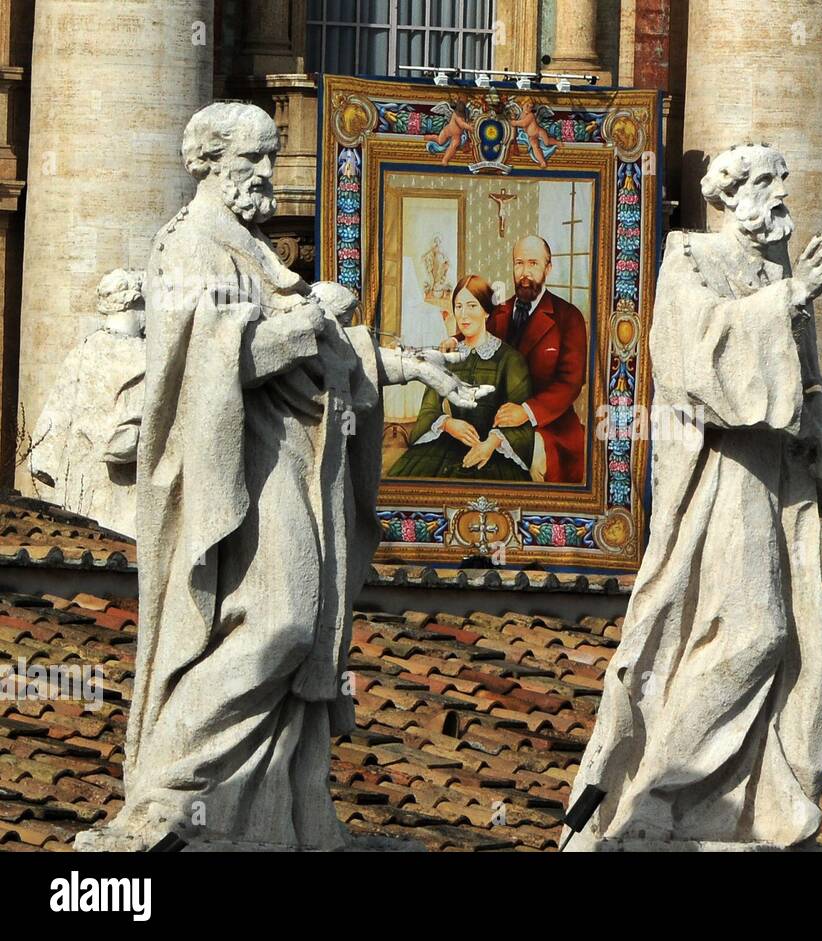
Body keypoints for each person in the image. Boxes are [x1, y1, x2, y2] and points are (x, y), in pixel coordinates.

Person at [76, 102, 488, 851]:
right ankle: (169, 788)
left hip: (294, 463)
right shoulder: (187, 247)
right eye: (254, 159)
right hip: (237, 471)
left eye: (270, 157)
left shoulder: (256, 254)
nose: (268, 173)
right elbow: (200, 367)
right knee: (281, 622)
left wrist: (417, 368)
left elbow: (329, 357)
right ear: (209, 161)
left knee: (302, 634)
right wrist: (300, 326)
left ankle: (271, 815)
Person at [562, 144, 822, 849]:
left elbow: (806, 383)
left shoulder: (774, 271)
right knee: (756, 631)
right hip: (720, 482)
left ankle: (730, 802)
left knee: (789, 643)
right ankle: (657, 790)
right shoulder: (690, 258)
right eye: (768, 187)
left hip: (775, 482)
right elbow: (696, 356)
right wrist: (788, 300)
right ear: (732, 194)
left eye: (784, 187)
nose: (780, 200)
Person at [28, 268, 147, 536]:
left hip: (80, 486)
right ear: (136, 304)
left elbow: (45, 440)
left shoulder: (81, 351)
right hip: (123, 491)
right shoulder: (146, 356)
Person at [388, 274, 535, 481]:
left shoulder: (510, 360)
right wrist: (448, 424)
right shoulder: (447, 357)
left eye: (472, 306)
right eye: (458, 306)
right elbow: (428, 411)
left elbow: (522, 424)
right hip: (446, 444)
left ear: (486, 311)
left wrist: (491, 443)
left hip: (494, 451)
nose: (464, 315)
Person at [488, 234, 588, 483]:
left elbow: (570, 383)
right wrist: (451, 341)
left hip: (551, 424)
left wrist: (527, 411)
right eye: (519, 263)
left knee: (537, 463)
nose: (525, 272)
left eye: (533, 264)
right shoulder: (498, 312)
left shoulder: (568, 317)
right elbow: (473, 337)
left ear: (548, 268)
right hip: (498, 419)